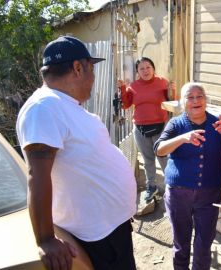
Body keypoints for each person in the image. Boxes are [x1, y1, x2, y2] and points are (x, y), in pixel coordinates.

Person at [16, 36, 137, 270]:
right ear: (78, 68)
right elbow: (36, 175)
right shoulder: (43, 108)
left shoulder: (64, 104)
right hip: (96, 239)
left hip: (110, 229)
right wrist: (46, 239)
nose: (93, 78)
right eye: (92, 69)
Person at [154, 82, 221, 270]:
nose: (196, 100)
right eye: (190, 97)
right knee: (181, 244)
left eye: (200, 96)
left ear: (206, 100)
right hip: (179, 194)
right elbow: (159, 149)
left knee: (204, 244)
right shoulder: (176, 123)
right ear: (183, 102)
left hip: (209, 194)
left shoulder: (217, 125)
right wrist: (183, 138)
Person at [118, 57, 173, 203]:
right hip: (140, 129)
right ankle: (152, 186)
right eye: (141, 68)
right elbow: (125, 105)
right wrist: (123, 89)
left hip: (160, 127)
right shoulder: (134, 86)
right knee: (148, 160)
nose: (145, 71)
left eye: (148, 67)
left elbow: (171, 101)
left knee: (163, 158)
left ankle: (170, 188)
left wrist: (172, 90)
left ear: (153, 68)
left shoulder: (162, 82)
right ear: (137, 72)